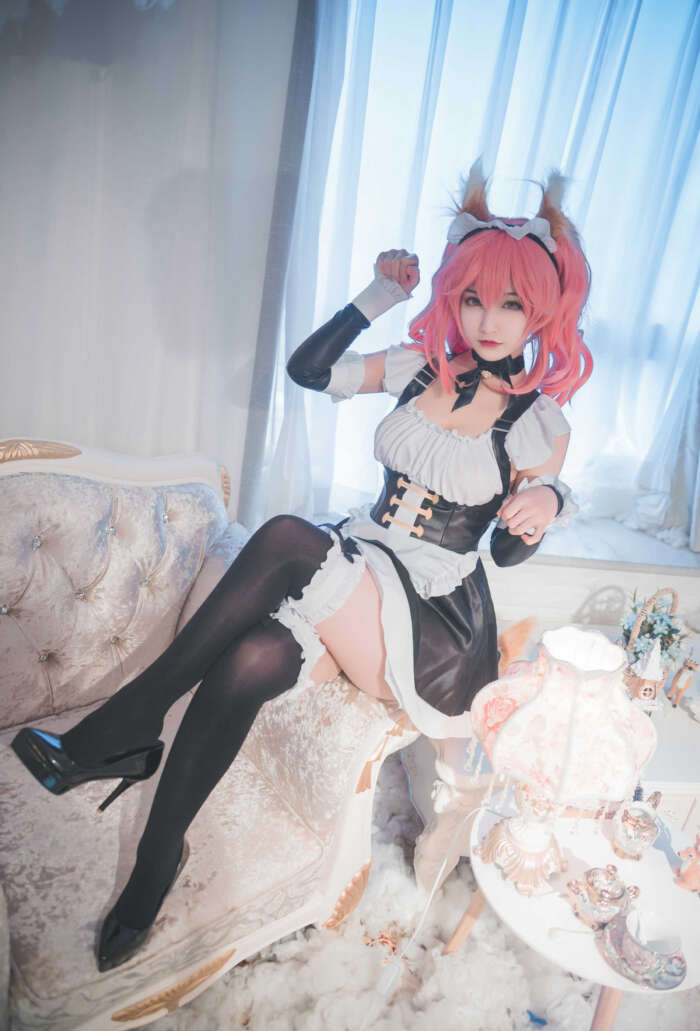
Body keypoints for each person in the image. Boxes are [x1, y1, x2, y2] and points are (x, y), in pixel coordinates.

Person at [11, 162, 592, 972]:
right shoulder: (419, 367)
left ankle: (125, 725)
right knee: (252, 658)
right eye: (473, 297)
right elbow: (310, 373)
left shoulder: (538, 421)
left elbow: (503, 549)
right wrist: (377, 295)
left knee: (288, 536)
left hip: (428, 624)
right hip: (362, 565)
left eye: (512, 304)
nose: (488, 320)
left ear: (542, 311)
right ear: (452, 297)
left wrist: (547, 503)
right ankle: (157, 858)